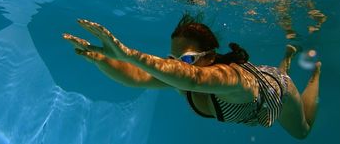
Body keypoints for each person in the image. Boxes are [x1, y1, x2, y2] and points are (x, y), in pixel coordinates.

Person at [63, 13, 321, 139]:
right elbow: (136, 77)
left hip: (278, 93)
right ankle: (286, 57)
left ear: (209, 56)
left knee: (302, 132)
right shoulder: (180, 77)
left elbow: (194, 79)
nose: (177, 67)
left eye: (186, 60)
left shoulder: (231, 79)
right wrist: (101, 59)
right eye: (174, 61)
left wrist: (127, 52)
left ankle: (313, 75)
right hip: (257, 101)